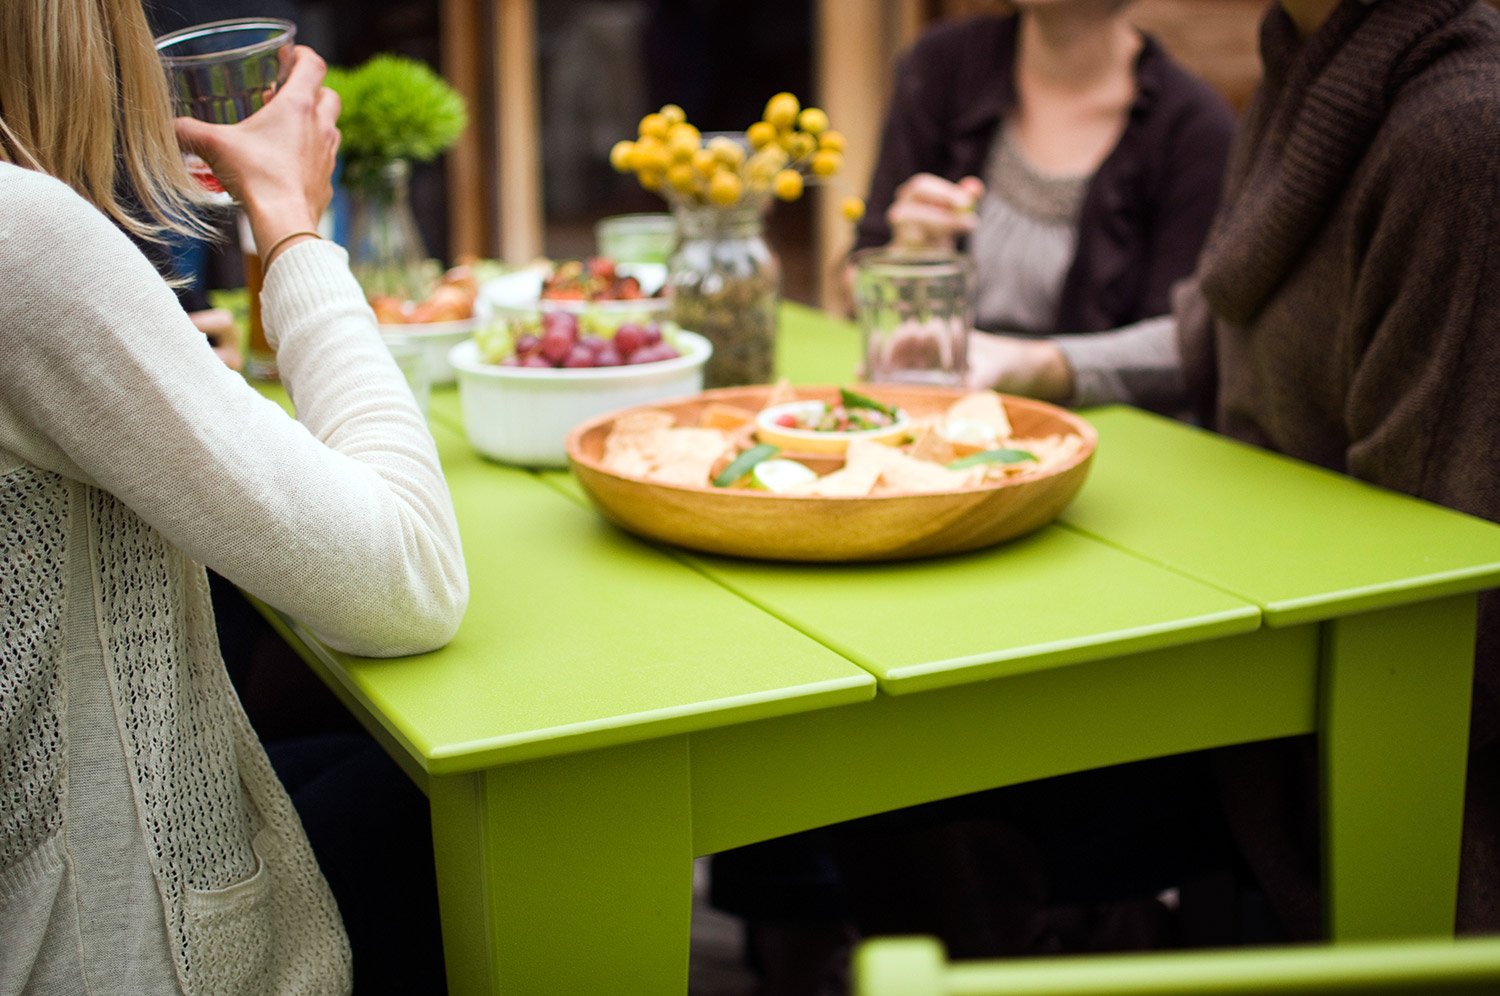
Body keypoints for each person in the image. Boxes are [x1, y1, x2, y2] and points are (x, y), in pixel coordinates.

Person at [966, 0, 1500, 935]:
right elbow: (1235, 323)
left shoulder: (1460, 132)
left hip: (1368, 772)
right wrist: (1050, 364)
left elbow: (1429, 606)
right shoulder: (1309, 60)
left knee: (942, 786)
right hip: (1269, 657)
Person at [0, 3, 468, 993]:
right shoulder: (24, 236)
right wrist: (293, 223)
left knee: (371, 766)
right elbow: (409, 578)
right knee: (467, 794)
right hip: (102, 950)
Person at [852, 0, 1235, 347]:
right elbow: (853, 282)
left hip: (1099, 412)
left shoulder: (1196, 129)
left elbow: (1176, 352)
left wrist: (1036, 368)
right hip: (946, 396)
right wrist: (900, 265)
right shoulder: (941, 64)